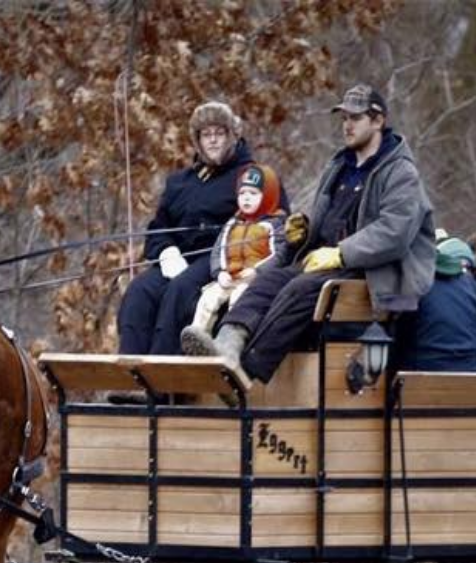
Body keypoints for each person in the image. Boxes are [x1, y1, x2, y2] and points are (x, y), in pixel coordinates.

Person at [180, 84, 435, 384]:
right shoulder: (340, 165)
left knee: (299, 290)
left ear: (378, 121)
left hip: (373, 271)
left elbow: (394, 232)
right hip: (323, 261)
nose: (347, 125)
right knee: (266, 282)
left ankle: (244, 372)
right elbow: (328, 223)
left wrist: (341, 253)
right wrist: (303, 231)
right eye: (344, 118)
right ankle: (226, 349)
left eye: (355, 118)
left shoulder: (400, 171)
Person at [118, 101, 259, 354]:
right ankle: (129, 367)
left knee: (180, 291)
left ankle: (161, 372)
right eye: (206, 134)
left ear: (232, 136)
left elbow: (269, 220)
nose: (213, 140)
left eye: (219, 133)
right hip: (178, 259)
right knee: (139, 291)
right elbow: (159, 227)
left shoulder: (250, 176)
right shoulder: (180, 182)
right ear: (197, 140)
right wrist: (167, 252)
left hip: (221, 259)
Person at [181, 164, 287, 342]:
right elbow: (218, 251)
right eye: (242, 193)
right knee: (208, 298)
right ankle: (197, 337)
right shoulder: (232, 224)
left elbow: (280, 255)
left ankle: (227, 341)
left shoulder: (274, 225)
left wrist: (257, 272)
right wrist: (220, 272)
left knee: (239, 300)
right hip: (230, 277)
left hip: (253, 281)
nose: (246, 198)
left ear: (268, 196)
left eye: (253, 194)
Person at [393, 235, 476, 371]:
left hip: (421, 374)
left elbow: (400, 335)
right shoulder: (472, 285)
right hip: (469, 372)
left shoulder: (416, 282)